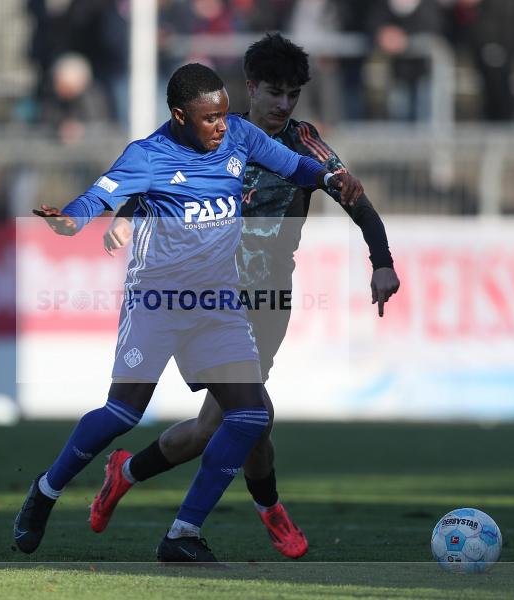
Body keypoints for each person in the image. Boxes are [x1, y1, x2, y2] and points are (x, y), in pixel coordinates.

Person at [15, 62, 365, 563]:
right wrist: (72, 219)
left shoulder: (239, 135)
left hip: (217, 305)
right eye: (210, 119)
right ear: (180, 115)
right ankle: (45, 492)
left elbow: (294, 166)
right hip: (157, 302)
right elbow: (99, 196)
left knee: (248, 417)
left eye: (224, 114)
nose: (222, 125)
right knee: (122, 414)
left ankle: (182, 534)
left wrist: (331, 177)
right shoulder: (148, 156)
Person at [90, 33, 399, 560]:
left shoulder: (305, 144)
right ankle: (251, 514)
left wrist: (383, 262)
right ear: (250, 87)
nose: (283, 104)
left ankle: (126, 471)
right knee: (251, 414)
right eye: (274, 92)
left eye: (292, 95)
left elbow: (355, 199)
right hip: (208, 299)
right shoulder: (213, 137)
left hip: (269, 301)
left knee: (216, 425)